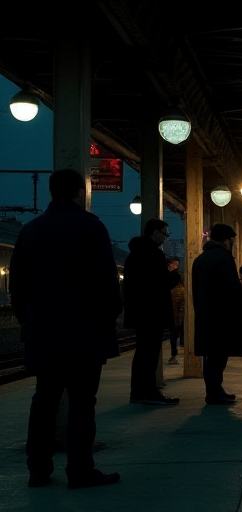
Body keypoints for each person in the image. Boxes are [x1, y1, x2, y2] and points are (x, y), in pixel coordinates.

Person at [10, 169, 122, 489]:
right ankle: (80, 470)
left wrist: (27, 321)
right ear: (80, 192)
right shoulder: (91, 227)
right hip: (84, 334)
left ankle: (38, 470)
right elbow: (105, 280)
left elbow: (16, 283)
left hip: (44, 333)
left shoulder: (30, 231)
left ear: (50, 191)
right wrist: (112, 313)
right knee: (82, 404)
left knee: (44, 400)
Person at [123, 219, 180, 405]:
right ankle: (148, 392)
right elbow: (162, 282)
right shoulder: (154, 254)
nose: (165, 237)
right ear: (155, 233)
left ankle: (138, 391)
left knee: (142, 352)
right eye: (165, 233)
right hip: (153, 311)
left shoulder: (133, 254)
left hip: (139, 311)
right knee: (150, 353)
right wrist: (175, 276)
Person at [191, 224, 242, 404]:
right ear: (226, 239)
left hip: (206, 316)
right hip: (222, 317)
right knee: (219, 356)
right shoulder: (224, 258)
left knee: (211, 356)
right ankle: (215, 392)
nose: (232, 244)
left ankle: (214, 390)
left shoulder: (199, 260)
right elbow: (232, 289)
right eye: (232, 240)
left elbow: (195, 290)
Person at [167, 256, 185, 364]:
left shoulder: (176, 278)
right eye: (175, 264)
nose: (177, 267)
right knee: (174, 333)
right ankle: (174, 353)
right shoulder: (176, 281)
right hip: (175, 312)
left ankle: (174, 353)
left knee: (173, 333)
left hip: (175, 312)